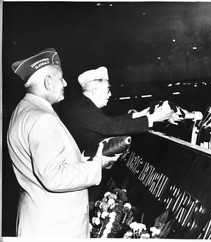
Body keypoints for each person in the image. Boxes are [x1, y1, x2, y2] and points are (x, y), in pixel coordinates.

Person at [7, 48, 119, 238]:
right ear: (48, 82)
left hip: (37, 217)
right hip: (57, 227)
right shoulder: (43, 118)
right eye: (61, 78)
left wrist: (80, 162)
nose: (65, 83)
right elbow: (53, 177)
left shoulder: (22, 111)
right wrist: (96, 166)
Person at [61, 66, 174, 202]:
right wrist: (152, 119)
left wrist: (140, 114)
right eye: (108, 90)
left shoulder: (84, 106)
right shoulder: (84, 109)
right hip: (77, 181)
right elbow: (111, 126)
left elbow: (111, 121)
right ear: (95, 90)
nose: (110, 95)